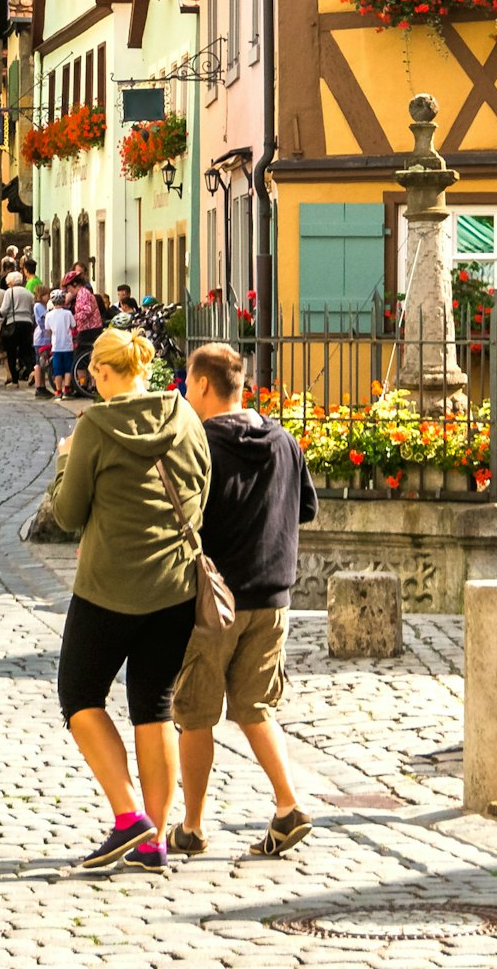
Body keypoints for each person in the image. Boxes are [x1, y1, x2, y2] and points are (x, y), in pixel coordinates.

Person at [34, 326, 212, 872]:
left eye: (93, 376)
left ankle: (129, 817)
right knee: (153, 705)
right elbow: (203, 487)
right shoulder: (183, 415)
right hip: (175, 587)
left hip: (108, 590)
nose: (91, 383)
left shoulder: (95, 428)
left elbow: (66, 516)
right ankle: (155, 839)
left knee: (80, 694)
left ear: (108, 373)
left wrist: (65, 460)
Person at [168, 344, 317, 858]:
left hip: (215, 601)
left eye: (188, 383)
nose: (186, 392)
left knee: (195, 711)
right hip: (274, 596)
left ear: (204, 385)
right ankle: (287, 804)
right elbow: (305, 510)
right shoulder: (283, 440)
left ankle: (191, 825)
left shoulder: (199, 445)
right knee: (255, 707)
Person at [34, 282, 76, 397]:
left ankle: (58, 390)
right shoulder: (68, 313)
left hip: (56, 345)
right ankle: (66, 388)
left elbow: (48, 329)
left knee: (57, 369)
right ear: (63, 301)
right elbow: (73, 325)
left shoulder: (49, 315)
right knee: (68, 368)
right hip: (68, 345)